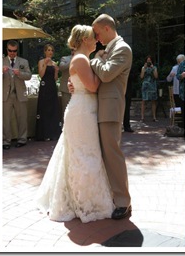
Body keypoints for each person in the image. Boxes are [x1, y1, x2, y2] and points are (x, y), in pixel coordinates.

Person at [36, 25, 114, 223]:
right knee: (83, 154)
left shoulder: (82, 59)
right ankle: (83, 201)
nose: (96, 40)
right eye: (92, 37)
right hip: (82, 112)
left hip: (83, 108)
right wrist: (100, 61)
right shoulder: (80, 59)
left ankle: (81, 198)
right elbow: (94, 86)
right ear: (83, 40)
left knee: (81, 153)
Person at [91, 14, 133, 219]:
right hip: (100, 108)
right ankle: (113, 197)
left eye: (98, 33)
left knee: (112, 155)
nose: (97, 39)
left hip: (110, 109)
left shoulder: (123, 49)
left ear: (107, 29)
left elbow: (106, 74)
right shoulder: (111, 49)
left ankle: (123, 201)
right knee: (105, 155)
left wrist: (95, 60)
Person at [2, 40, 32, 149]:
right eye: (10, 51)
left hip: (20, 93)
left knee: (22, 118)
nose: (12, 53)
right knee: (5, 119)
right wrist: (1, 72)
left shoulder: (23, 61)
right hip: (6, 95)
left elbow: (29, 75)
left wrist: (20, 73)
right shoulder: (1, 61)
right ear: (7, 50)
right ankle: (6, 141)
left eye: (14, 51)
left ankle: (22, 139)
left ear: (17, 51)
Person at [35, 44, 62, 141]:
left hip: (52, 87)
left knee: (53, 109)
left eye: (52, 50)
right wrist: (45, 64)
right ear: (45, 51)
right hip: (44, 87)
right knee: (44, 110)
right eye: (49, 50)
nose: (50, 52)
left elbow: (55, 79)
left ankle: (53, 133)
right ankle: (44, 134)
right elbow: (41, 75)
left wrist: (56, 72)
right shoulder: (41, 62)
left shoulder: (54, 63)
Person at [167, 54, 185, 128]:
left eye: (180, 61)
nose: (179, 63)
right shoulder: (174, 68)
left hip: (183, 92)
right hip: (176, 91)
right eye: (178, 62)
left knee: (183, 107)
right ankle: (180, 124)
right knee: (179, 107)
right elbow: (168, 79)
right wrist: (171, 75)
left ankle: (183, 123)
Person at [140, 56, 158, 122]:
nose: (148, 62)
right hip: (145, 86)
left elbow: (156, 76)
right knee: (143, 101)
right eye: (147, 61)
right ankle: (142, 117)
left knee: (153, 101)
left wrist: (153, 68)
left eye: (149, 61)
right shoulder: (143, 68)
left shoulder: (154, 67)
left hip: (152, 85)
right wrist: (144, 68)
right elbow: (141, 76)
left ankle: (154, 117)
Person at [58, 49, 73, 118]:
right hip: (66, 90)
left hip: (78, 89)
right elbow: (61, 67)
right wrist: (73, 60)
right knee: (65, 110)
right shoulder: (65, 58)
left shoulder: (83, 58)